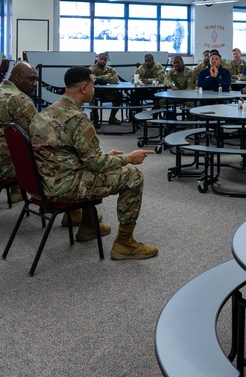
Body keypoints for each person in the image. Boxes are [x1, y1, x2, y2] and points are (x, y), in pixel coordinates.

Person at [29, 66, 157, 259]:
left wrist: (107, 157)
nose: (94, 89)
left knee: (93, 167)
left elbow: (71, 155)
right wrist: (127, 159)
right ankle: (124, 244)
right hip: (62, 188)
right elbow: (97, 164)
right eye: (93, 85)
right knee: (133, 175)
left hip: (41, 184)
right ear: (83, 89)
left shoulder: (44, 113)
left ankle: (88, 226)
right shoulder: (78, 119)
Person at [0, 62, 39, 180]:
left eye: (36, 80)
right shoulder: (19, 98)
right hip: (8, 165)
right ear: (17, 78)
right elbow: (37, 135)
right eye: (32, 79)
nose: (35, 84)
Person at [90, 52, 122, 124]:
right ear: (97, 59)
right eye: (101, 59)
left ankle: (112, 118)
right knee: (92, 97)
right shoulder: (92, 69)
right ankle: (95, 120)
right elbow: (93, 80)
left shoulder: (110, 69)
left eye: (105, 59)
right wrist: (107, 77)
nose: (103, 61)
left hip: (108, 91)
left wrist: (101, 80)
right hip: (96, 92)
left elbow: (116, 78)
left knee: (119, 96)